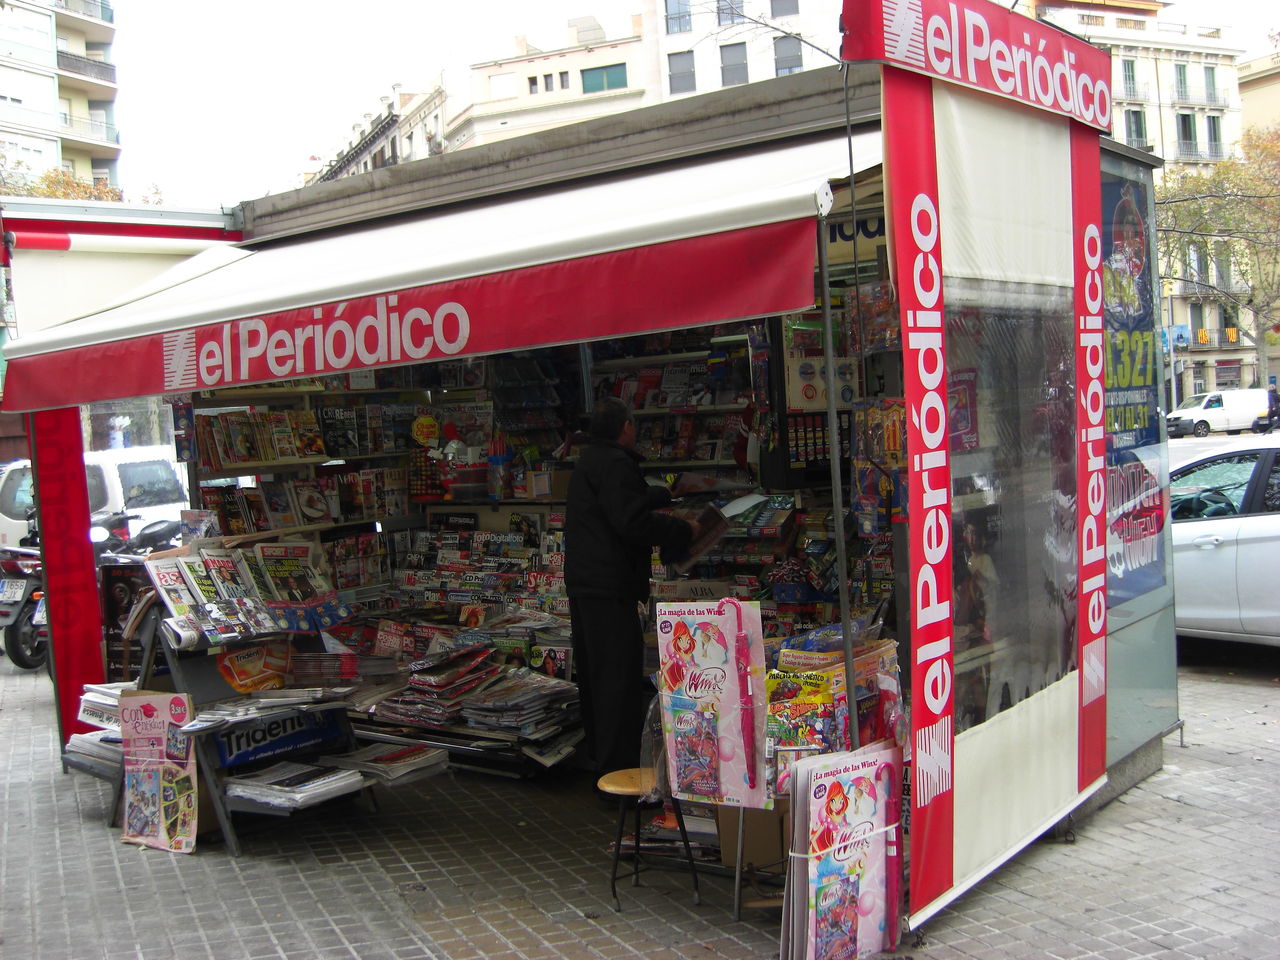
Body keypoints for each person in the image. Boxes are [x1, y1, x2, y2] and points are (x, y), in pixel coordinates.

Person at [565, 396, 699, 775]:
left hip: (587, 585)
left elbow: (620, 502)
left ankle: (602, 764)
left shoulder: (590, 461)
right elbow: (632, 522)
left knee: (596, 678)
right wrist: (683, 528)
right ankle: (618, 773)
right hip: (610, 589)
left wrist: (662, 494)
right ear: (626, 427)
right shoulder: (615, 464)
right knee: (617, 683)